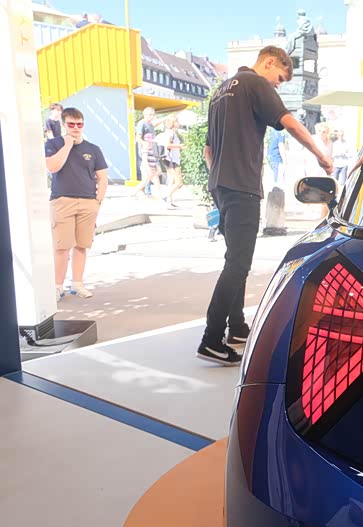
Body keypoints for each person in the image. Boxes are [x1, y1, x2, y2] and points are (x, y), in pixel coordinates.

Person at [198, 45, 332, 366]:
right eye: (280, 79)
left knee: (235, 258)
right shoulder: (256, 84)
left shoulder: (221, 91)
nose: (278, 86)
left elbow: (207, 151)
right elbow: (291, 123)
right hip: (241, 186)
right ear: (269, 62)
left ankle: (236, 327)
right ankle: (211, 339)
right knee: (238, 263)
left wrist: (219, 178)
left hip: (220, 186)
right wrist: (320, 155)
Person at [44, 107, 108, 301]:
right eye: (71, 124)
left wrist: (97, 201)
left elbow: (102, 178)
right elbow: (52, 167)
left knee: (81, 246)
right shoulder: (53, 144)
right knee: (62, 247)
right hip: (62, 200)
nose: (75, 128)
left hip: (88, 202)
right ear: (64, 124)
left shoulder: (93, 149)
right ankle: (57, 286)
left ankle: (77, 284)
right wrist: (67, 145)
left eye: (79, 124)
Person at [132, 132, 165, 202]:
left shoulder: (153, 147)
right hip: (146, 168)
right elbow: (144, 160)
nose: (150, 142)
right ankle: (133, 193)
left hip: (153, 168)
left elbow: (155, 158)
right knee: (144, 181)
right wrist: (148, 169)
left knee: (157, 182)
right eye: (148, 141)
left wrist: (157, 167)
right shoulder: (145, 148)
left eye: (150, 141)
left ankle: (160, 197)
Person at [158, 116, 183, 207]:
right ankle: (166, 196)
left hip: (170, 159)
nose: (178, 122)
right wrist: (179, 146)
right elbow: (168, 145)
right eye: (176, 121)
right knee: (178, 181)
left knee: (171, 180)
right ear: (172, 123)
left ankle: (169, 200)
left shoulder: (171, 132)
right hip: (171, 160)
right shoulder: (170, 133)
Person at [134, 107, 156, 196]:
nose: (151, 116)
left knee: (151, 171)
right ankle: (144, 190)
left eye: (152, 115)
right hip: (144, 152)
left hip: (151, 152)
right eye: (149, 114)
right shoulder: (141, 124)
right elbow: (138, 138)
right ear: (144, 115)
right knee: (147, 171)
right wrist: (144, 144)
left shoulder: (151, 125)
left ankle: (145, 190)